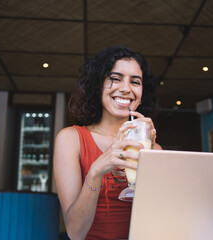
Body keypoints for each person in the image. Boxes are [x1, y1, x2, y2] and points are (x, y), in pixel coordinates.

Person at [53, 46, 162, 240]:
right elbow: (75, 233)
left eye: (135, 82)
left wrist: (152, 157)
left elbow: (159, 220)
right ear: (98, 85)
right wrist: (96, 171)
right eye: (115, 78)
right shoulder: (70, 139)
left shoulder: (153, 148)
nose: (126, 88)